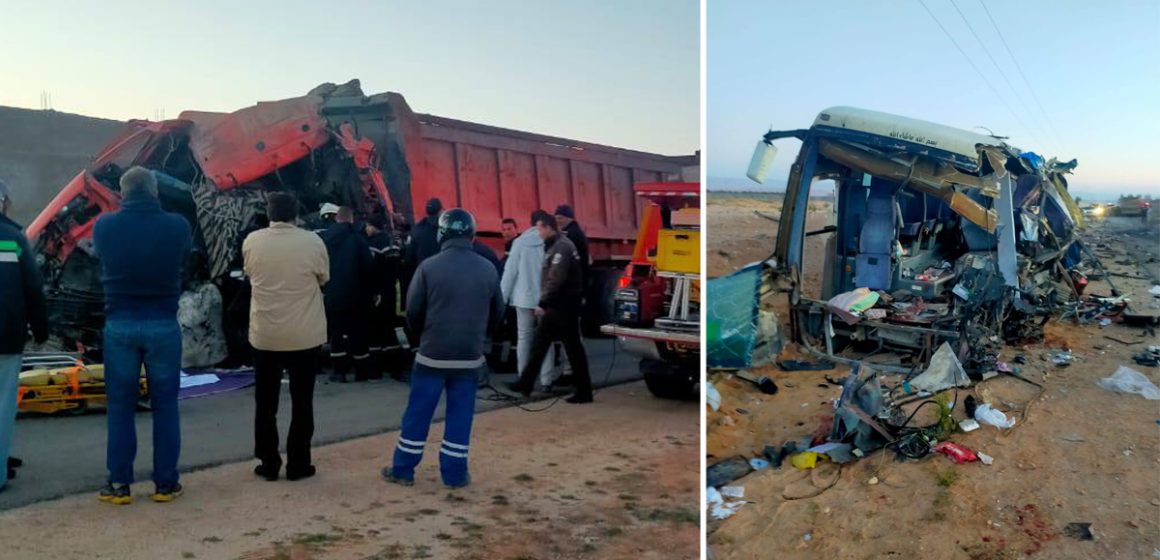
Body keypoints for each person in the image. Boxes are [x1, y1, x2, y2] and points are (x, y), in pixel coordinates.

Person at [92, 166, 193, 504]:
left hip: (119, 323)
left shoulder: (105, 226)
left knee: (120, 407)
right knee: (166, 406)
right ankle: (165, 484)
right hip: (163, 323)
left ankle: (119, 485)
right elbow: (186, 258)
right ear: (155, 192)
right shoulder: (177, 226)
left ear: (122, 193)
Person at [383, 208, 503, 488]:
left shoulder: (428, 267)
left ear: (442, 234)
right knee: (460, 416)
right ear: (471, 234)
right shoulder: (487, 268)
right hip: (469, 358)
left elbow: (412, 312)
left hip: (432, 355)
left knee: (418, 413)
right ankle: (455, 474)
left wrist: (425, 336)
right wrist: (478, 337)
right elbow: (498, 313)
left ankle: (403, 469)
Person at [243, 192, 329, 482]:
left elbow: (249, 273)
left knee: (265, 403)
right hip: (305, 335)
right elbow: (323, 277)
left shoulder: (252, 241)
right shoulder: (313, 241)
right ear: (296, 214)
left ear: (269, 213)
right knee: (302, 401)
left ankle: (268, 463)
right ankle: (299, 464)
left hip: (265, 335)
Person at [506, 213, 593, 404]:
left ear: (548, 227)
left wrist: (543, 303)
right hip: (560, 304)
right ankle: (526, 383)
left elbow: (555, 278)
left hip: (563, 305)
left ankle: (584, 391)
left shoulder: (561, 247)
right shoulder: (559, 244)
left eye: (539, 229)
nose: (538, 233)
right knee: (541, 343)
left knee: (571, 348)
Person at [0, 179, 48, 492]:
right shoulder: (14, 238)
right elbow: (33, 289)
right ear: (4, 202)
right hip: (5, 336)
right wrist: (41, 329)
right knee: (3, 406)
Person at [501, 210, 557, 389]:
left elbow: (510, 272)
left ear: (530, 222)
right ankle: (546, 380)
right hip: (545, 299)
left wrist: (502, 298)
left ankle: (524, 378)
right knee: (544, 339)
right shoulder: (549, 242)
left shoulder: (519, 243)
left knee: (524, 339)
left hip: (523, 298)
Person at [320, 206, 374, 382]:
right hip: (357, 294)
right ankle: (362, 372)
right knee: (358, 333)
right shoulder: (358, 239)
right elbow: (368, 267)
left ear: (336, 218)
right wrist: (372, 291)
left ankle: (339, 372)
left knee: (336, 333)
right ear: (351, 219)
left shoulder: (324, 239)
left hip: (332, 293)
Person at [366, 214, 399, 380]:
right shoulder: (393, 243)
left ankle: (375, 369)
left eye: (368, 226)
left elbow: (372, 271)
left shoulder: (373, 245)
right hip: (392, 291)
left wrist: (374, 291)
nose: (366, 229)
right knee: (389, 329)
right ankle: (395, 368)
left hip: (378, 293)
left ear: (373, 226)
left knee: (375, 331)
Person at [554, 204, 590, 283]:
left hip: (574, 279)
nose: (557, 221)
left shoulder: (571, 234)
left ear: (569, 219)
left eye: (560, 218)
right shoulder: (573, 231)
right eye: (556, 218)